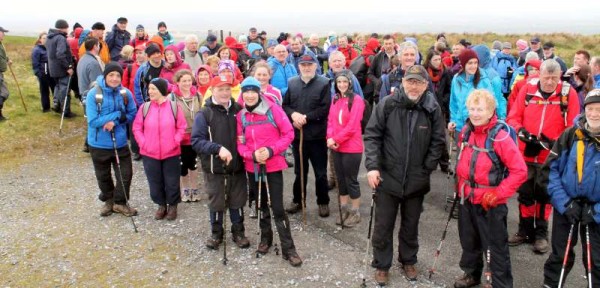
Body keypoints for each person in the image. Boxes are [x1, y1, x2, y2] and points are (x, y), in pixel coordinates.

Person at [364, 65, 445, 285]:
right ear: (403, 82)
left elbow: (438, 140)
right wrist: (372, 166)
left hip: (416, 181)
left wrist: (426, 168)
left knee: (411, 225)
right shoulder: (387, 104)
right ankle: (382, 264)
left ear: (426, 85)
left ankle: (408, 260)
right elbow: (372, 136)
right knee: (383, 226)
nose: (413, 86)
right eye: (410, 81)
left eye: (418, 82)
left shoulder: (432, 108)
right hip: (387, 178)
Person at [453, 89, 527, 288]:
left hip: (491, 202)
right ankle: (472, 274)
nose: (475, 113)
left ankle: (500, 283)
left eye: (480, 109)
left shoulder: (500, 137)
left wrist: (499, 194)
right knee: (469, 242)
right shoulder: (466, 131)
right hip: (466, 197)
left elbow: (520, 171)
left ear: (491, 111)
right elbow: (462, 161)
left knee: (495, 248)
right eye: (472, 109)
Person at [506, 59, 580, 254]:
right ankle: (524, 230)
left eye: (554, 78)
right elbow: (513, 117)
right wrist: (520, 131)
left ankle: (541, 234)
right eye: (546, 77)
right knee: (525, 193)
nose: (549, 82)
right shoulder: (527, 89)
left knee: (545, 195)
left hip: (551, 155)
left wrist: (556, 141)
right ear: (539, 75)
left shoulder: (567, 93)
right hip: (525, 152)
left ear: (560, 77)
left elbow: (573, 125)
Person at [236, 77, 302, 266]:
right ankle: (266, 239)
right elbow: (239, 145)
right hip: (253, 167)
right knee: (261, 205)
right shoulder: (241, 116)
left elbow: (288, 133)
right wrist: (252, 155)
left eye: (252, 91)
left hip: (272, 166)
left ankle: (289, 249)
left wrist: (271, 150)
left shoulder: (273, 110)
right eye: (245, 91)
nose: (249, 95)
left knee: (278, 208)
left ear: (259, 92)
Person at [541, 89, 600, 287]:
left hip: (596, 212)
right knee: (560, 255)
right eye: (590, 108)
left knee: (596, 260)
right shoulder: (570, 135)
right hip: (567, 206)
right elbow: (550, 171)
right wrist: (565, 204)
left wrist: (596, 210)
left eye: (599, 109)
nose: (594, 114)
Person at [191, 74, 250, 250]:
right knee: (216, 201)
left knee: (238, 200)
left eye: (227, 89)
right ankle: (216, 233)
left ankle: (238, 232)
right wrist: (217, 148)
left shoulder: (238, 110)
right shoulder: (205, 113)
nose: (224, 92)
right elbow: (196, 141)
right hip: (214, 167)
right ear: (212, 90)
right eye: (220, 89)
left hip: (237, 166)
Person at [85, 62, 138, 217]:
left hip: (120, 141)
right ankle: (109, 201)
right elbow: (93, 121)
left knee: (125, 174)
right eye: (111, 75)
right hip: (98, 143)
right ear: (105, 76)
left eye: (118, 75)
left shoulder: (125, 93)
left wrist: (114, 121)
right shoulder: (93, 94)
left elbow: (132, 113)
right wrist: (117, 115)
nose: (115, 79)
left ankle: (120, 203)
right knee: (103, 176)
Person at [282, 54, 331, 217]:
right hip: (298, 137)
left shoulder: (324, 83)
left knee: (320, 172)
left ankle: (323, 202)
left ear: (315, 66)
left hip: (317, 137)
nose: (307, 67)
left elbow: (325, 109)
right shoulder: (292, 83)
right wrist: (293, 115)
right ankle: (297, 200)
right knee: (299, 171)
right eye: (303, 65)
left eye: (310, 65)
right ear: (299, 66)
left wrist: (306, 118)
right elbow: (285, 106)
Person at [133, 78, 186, 220]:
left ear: (162, 90)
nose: (149, 91)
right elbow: (137, 128)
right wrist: (143, 143)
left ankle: (173, 205)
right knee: (154, 181)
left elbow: (182, 127)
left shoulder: (174, 107)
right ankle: (161, 204)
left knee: (172, 181)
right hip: (149, 153)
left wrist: (175, 141)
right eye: (149, 89)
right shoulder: (144, 108)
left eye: (153, 89)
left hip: (171, 152)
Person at [327, 70, 365, 227]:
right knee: (340, 180)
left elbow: (352, 126)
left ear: (350, 83)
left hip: (352, 147)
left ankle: (355, 211)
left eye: (345, 82)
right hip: (336, 146)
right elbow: (330, 121)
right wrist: (330, 139)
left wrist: (335, 139)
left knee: (351, 180)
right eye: (339, 82)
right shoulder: (335, 99)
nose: (342, 85)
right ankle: (344, 209)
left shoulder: (357, 101)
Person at [448, 49, 507, 137]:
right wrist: (453, 120)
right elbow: (453, 103)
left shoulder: (484, 79)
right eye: (470, 63)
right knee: (461, 151)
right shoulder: (456, 79)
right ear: (463, 64)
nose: (474, 66)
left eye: (476, 63)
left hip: (478, 129)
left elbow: (493, 103)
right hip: (460, 127)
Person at [171, 70, 202, 202]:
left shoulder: (198, 96)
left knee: (193, 163)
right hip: (179, 137)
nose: (187, 83)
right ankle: (185, 188)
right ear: (177, 82)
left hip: (194, 136)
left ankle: (194, 188)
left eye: (189, 80)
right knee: (182, 164)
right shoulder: (172, 98)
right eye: (184, 81)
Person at [47, 19, 76, 117]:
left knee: (58, 87)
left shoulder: (50, 37)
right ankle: (66, 112)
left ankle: (57, 105)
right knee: (64, 89)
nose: (67, 30)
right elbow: (60, 54)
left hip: (53, 68)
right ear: (64, 28)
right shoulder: (60, 38)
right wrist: (68, 67)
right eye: (67, 28)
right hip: (62, 69)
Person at [368, 34, 397, 103]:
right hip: (381, 91)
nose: (388, 46)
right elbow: (369, 73)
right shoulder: (378, 57)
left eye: (390, 43)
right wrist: (377, 82)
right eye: (386, 44)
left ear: (394, 44)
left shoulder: (400, 56)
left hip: (396, 91)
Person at [31, 32, 56, 113]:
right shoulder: (37, 50)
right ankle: (46, 108)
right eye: (44, 38)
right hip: (43, 74)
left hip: (52, 73)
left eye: (47, 38)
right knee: (44, 91)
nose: (46, 40)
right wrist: (38, 73)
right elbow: (35, 63)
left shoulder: (50, 48)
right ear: (40, 39)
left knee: (55, 90)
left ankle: (57, 106)